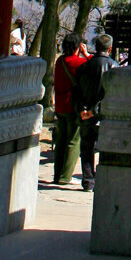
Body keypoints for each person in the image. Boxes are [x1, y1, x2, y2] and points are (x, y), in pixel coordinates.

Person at [73, 33, 116, 190]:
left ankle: (88, 180)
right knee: (107, 148)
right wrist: (96, 110)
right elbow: (113, 96)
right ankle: (104, 179)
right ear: (110, 48)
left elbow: (76, 91)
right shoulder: (114, 67)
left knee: (86, 148)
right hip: (105, 115)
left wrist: (82, 110)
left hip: (85, 115)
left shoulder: (84, 67)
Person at [51, 35, 88, 185]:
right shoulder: (79, 62)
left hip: (60, 105)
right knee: (73, 140)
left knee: (61, 140)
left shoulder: (60, 61)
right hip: (73, 106)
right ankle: (65, 176)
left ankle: (57, 173)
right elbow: (93, 68)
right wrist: (86, 55)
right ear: (78, 46)